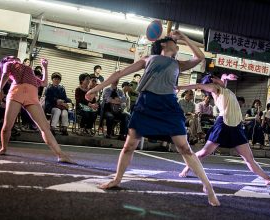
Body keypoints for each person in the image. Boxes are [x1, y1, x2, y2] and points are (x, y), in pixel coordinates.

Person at [86, 31, 220, 206]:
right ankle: (117, 179)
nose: (176, 43)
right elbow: (119, 73)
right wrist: (95, 89)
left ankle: (208, 186)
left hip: (168, 106)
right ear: (163, 45)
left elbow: (200, 57)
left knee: (184, 148)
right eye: (172, 41)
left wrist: (184, 37)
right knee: (129, 146)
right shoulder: (148, 59)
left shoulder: (177, 64)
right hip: (146, 104)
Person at [178, 74, 270, 186]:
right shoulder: (214, 88)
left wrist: (226, 77)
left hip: (236, 126)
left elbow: (223, 80)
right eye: (216, 78)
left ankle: (267, 179)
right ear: (212, 81)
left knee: (249, 158)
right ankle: (187, 167)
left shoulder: (223, 88)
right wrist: (179, 88)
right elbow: (198, 85)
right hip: (224, 124)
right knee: (203, 153)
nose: (220, 79)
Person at [0, 56, 71, 163]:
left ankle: (60, 155)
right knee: (7, 126)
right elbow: (5, 75)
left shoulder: (29, 70)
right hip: (16, 93)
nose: (12, 57)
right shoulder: (9, 64)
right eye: (9, 57)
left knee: (45, 128)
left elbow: (44, 83)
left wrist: (45, 67)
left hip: (30, 97)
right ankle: (3, 148)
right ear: (5, 61)